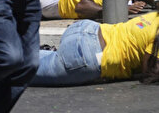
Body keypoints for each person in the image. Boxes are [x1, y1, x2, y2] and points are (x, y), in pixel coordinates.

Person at [30, 14, 159, 86]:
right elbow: (149, 70)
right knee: (18, 71)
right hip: (88, 55)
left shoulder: (155, 16)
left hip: (86, 28)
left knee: (31, 59)